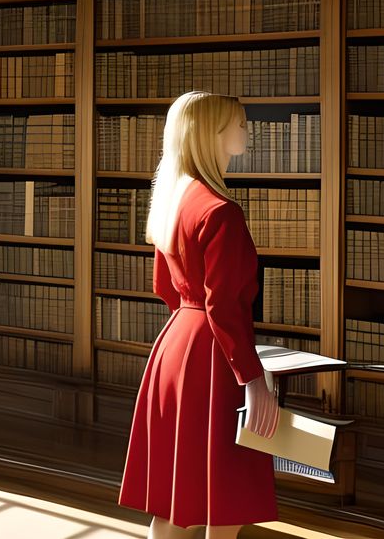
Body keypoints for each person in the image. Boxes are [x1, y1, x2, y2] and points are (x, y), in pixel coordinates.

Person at [118, 90, 280, 538]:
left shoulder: (173, 198)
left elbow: (164, 287)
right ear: (211, 133)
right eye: (239, 122)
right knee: (222, 498)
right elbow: (224, 307)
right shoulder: (222, 212)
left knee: (177, 497)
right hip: (212, 357)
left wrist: (192, 330)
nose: (246, 130)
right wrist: (253, 380)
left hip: (175, 348)